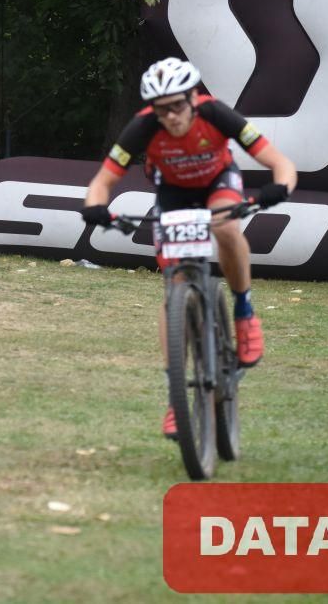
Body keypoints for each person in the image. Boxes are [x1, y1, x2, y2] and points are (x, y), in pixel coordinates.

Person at [80, 57, 297, 439]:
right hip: (174, 194)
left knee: (225, 225)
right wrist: (96, 208)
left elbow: (280, 162)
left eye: (178, 106)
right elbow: (101, 182)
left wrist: (278, 187)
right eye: (162, 109)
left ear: (193, 98)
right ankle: (175, 395)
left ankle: (244, 311)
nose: (171, 116)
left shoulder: (216, 114)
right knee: (174, 287)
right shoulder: (143, 126)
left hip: (218, 181)